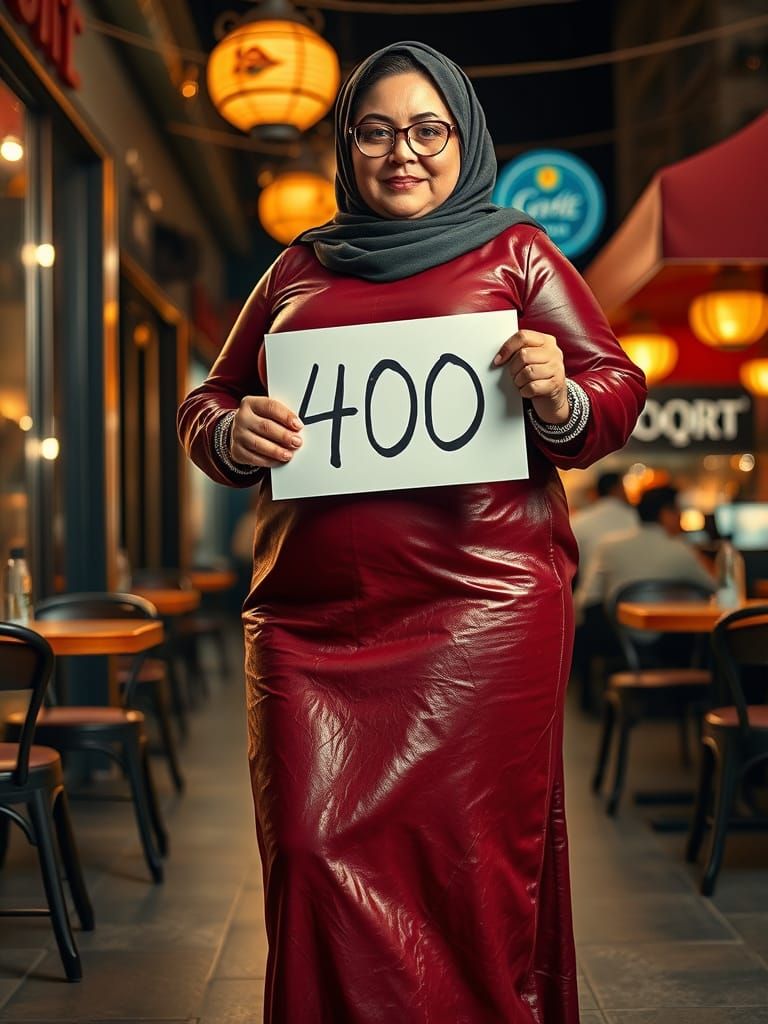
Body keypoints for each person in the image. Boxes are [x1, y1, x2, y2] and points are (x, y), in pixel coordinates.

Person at [178, 40, 646, 1024]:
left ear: (462, 138)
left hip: (482, 619)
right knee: (306, 853)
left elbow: (614, 388)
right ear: (346, 147)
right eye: (377, 131)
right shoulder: (298, 265)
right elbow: (210, 401)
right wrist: (228, 428)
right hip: (310, 627)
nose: (403, 152)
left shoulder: (517, 250)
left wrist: (558, 393)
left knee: (467, 868)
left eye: (427, 129)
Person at [574, 484, 714, 619]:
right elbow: (716, 589)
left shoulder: (608, 546)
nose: (680, 518)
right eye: (678, 511)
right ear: (665, 513)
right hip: (672, 636)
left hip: (620, 637)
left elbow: (587, 599)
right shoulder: (681, 550)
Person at [571, 470, 638, 573]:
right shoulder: (636, 518)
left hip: (588, 586)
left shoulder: (577, 521)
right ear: (618, 489)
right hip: (629, 584)